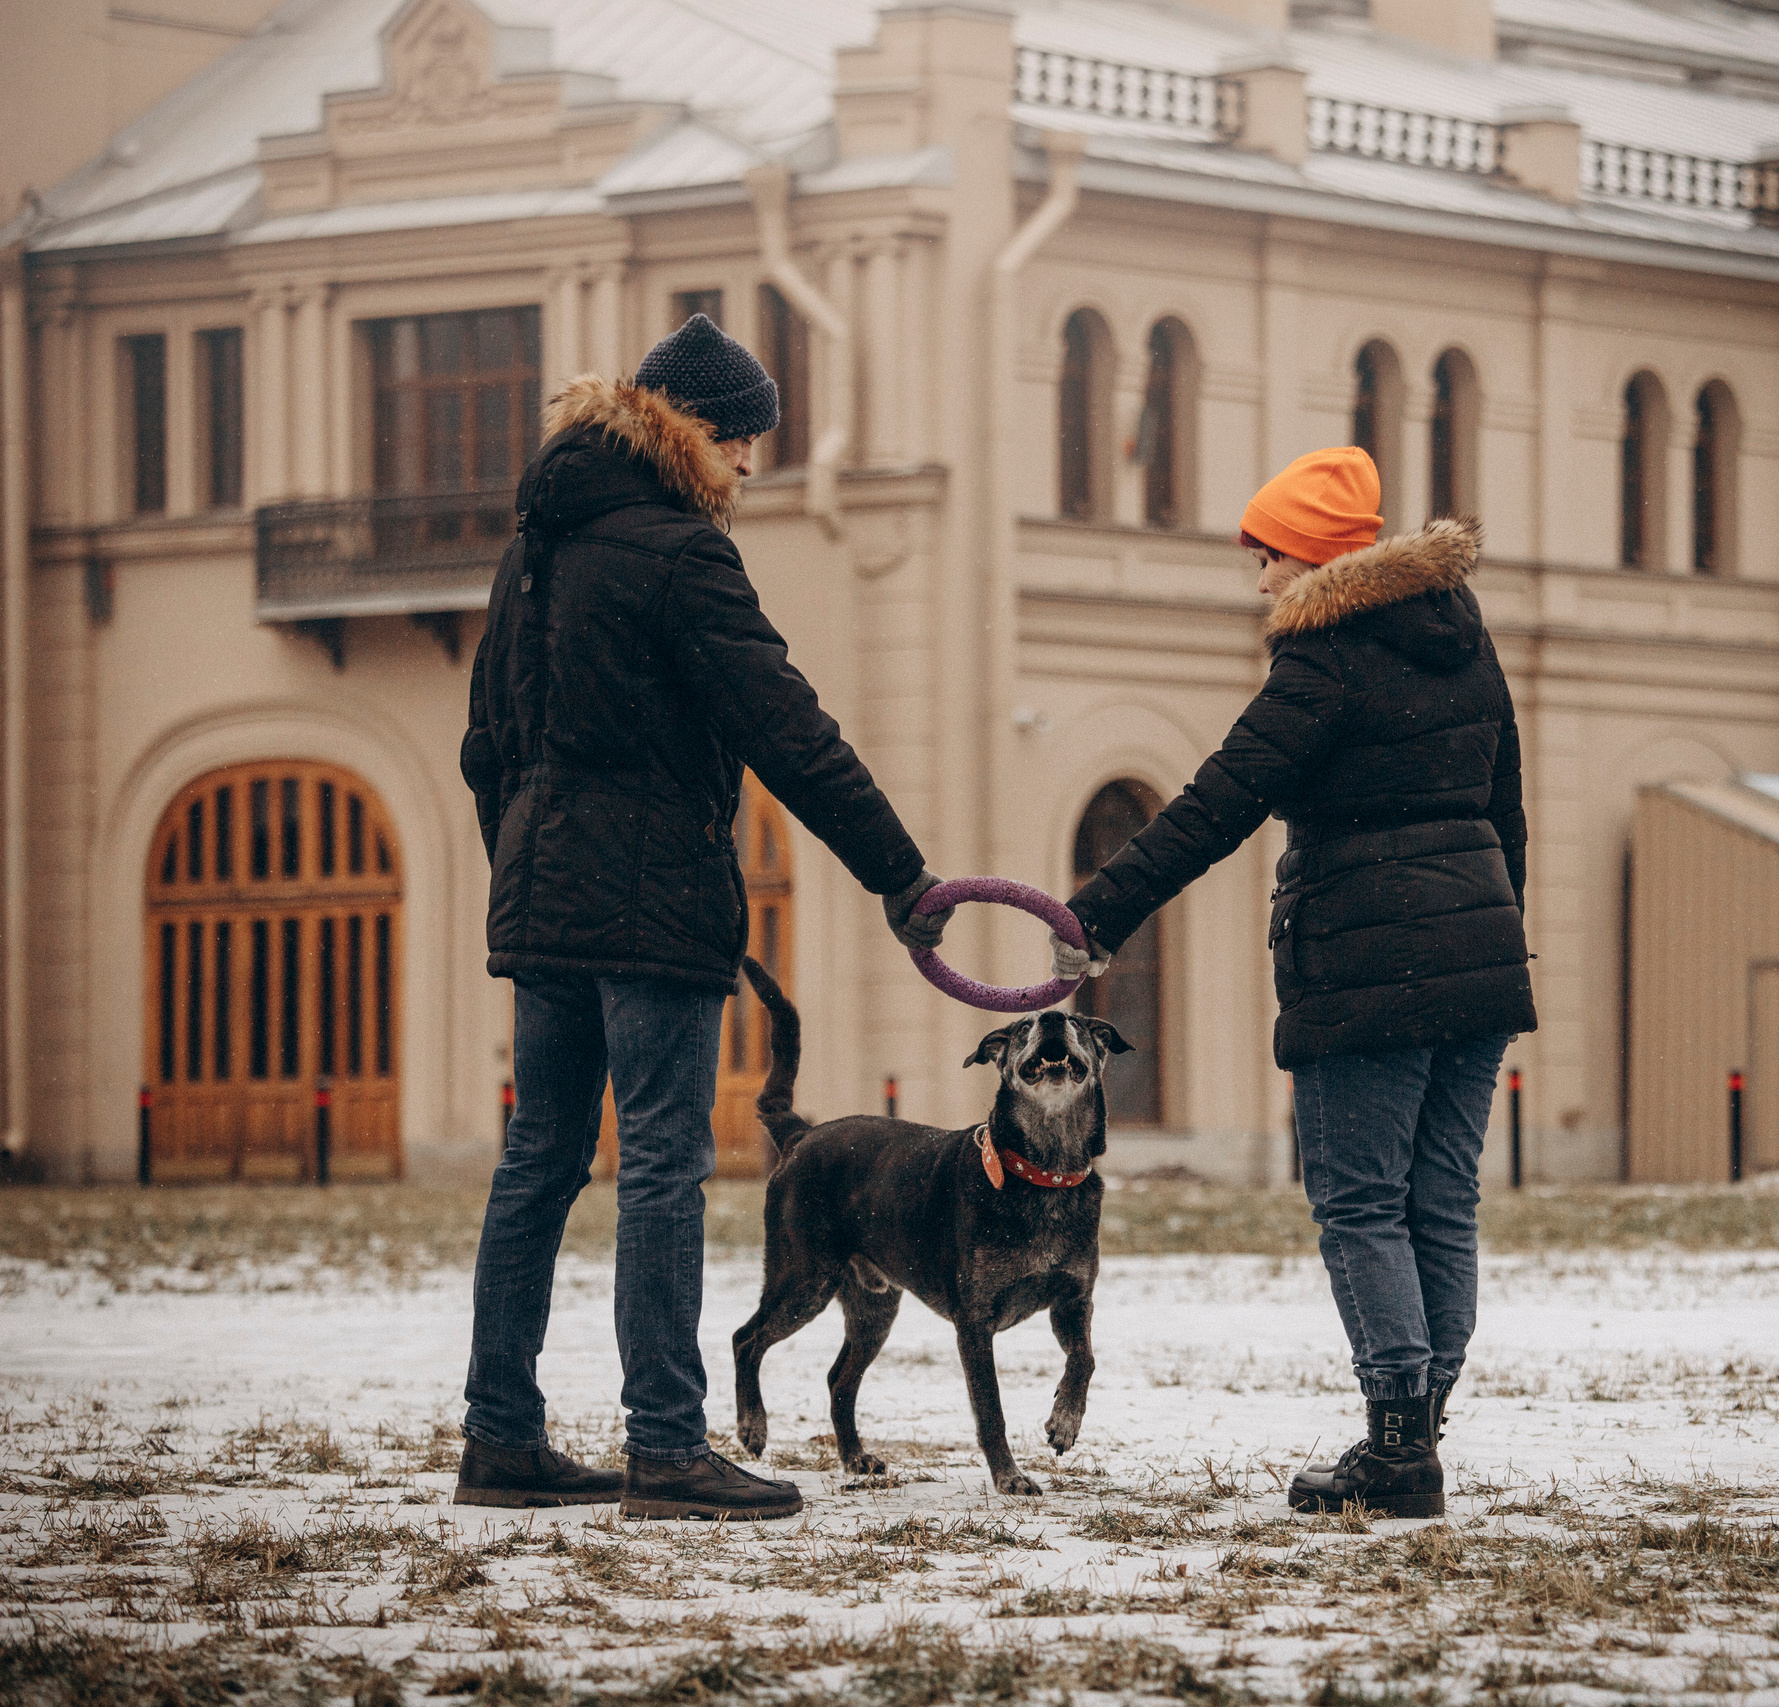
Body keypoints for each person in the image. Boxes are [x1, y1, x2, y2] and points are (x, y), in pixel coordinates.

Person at [455, 315, 948, 1520]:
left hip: (548, 896)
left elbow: (484, 745)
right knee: (664, 1165)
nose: (753, 467)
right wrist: (902, 873)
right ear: (695, 432)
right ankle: (668, 1447)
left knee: (539, 1162)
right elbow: (787, 725)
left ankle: (500, 1439)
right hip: (655, 900)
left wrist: (528, 864)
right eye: (743, 442)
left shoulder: (536, 548)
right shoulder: (681, 554)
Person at [1058, 446, 1535, 1519]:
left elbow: (1213, 805)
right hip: (1479, 960)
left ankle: (1399, 1448)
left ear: (1314, 560)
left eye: (1266, 556)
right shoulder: (1463, 638)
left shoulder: (1323, 660)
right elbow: (1506, 807)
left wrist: (1097, 912)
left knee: (1361, 1202)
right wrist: (1498, 936)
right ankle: (1416, 1429)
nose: (1259, 581)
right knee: (1439, 1203)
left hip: (1366, 963)